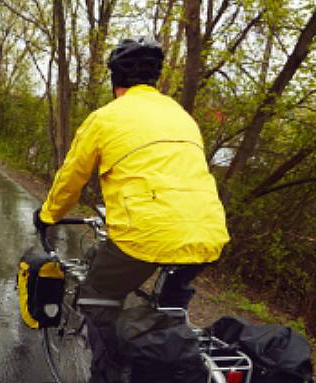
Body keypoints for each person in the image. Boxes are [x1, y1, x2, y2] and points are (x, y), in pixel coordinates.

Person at [33, 36, 229, 330]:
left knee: (98, 298)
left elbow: (71, 180)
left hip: (144, 234)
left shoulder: (105, 118)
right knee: (170, 313)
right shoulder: (182, 117)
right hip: (208, 234)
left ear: (115, 81)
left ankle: (108, 375)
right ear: (154, 80)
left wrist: (48, 216)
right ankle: (172, 353)